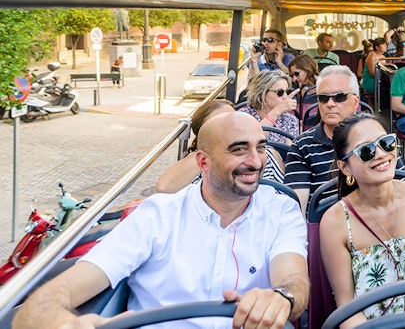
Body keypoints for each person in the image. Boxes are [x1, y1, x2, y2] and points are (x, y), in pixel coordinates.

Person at [13, 112, 309, 329]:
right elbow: (46, 301)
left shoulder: (281, 210)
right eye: (239, 149)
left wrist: (281, 297)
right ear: (203, 162)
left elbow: (294, 280)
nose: (256, 161)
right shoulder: (157, 216)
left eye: (261, 147)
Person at [320, 114, 405, 327]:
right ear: (345, 168)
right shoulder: (335, 221)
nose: (381, 154)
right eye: (366, 151)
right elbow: (346, 304)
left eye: (386, 143)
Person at [284, 66, 404, 212]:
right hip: (326, 225)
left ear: (355, 102)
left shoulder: (376, 137)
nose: (330, 104)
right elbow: (296, 206)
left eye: (339, 97)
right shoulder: (302, 145)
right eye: (323, 98)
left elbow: (403, 185)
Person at [155, 99, 286, 193]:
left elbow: (285, 192)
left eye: (232, 118)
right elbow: (164, 187)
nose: (229, 124)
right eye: (220, 121)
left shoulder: (267, 154)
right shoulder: (200, 160)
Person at [238, 70, 300, 144]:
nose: (285, 97)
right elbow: (253, 142)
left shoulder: (290, 120)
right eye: (280, 92)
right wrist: (276, 112)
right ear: (262, 93)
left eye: (287, 92)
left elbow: (289, 152)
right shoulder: (244, 115)